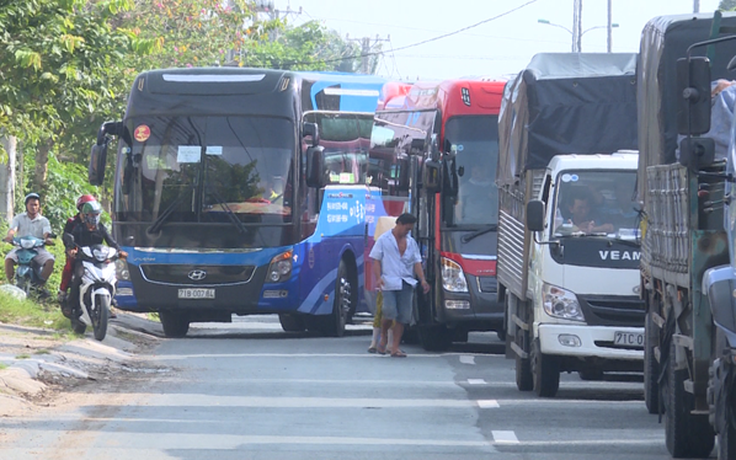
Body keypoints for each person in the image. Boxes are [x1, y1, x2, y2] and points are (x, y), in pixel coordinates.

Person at [369, 213, 430, 358]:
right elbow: (376, 260)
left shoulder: (411, 242)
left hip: (406, 282)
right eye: (406, 228)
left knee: (403, 317)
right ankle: (383, 334)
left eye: (410, 230)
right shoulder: (384, 240)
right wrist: (378, 278)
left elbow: (417, 262)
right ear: (399, 224)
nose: (407, 232)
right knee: (389, 311)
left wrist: (423, 280)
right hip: (389, 282)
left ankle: (395, 347)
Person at [65, 201, 127, 318]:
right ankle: (71, 304)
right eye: (92, 215)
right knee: (78, 276)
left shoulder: (101, 228)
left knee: (113, 278)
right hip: (83, 260)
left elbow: (111, 242)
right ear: (85, 215)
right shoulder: (79, 228)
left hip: (99, 261)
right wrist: (71, 249)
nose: (94, 218)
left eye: (96, 215)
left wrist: (119, 251)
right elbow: (71, 243)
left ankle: (110, 302)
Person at [4, 193, 55, 289]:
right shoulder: (19, 218)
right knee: (8, 259)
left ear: (39, 206)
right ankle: (11, 284)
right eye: (31, 204)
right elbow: (13, 229)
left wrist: (48, 239)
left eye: (36, 205)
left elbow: (46, 232)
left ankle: (40, 285)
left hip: (37, 249)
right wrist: (10, 236)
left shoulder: (44, 220)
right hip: (21, 248)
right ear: (26, 205)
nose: (33, 207)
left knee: (50, 261)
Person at [58, 195, 97, 305]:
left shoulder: (96, 223)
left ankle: (108, 300)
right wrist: (71, 248)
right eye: (86, 208)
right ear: (81, 208)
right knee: (69, 266)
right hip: (76, 251)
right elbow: (66, 236)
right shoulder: (72, 222)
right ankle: (63, 291)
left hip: (92, 252)